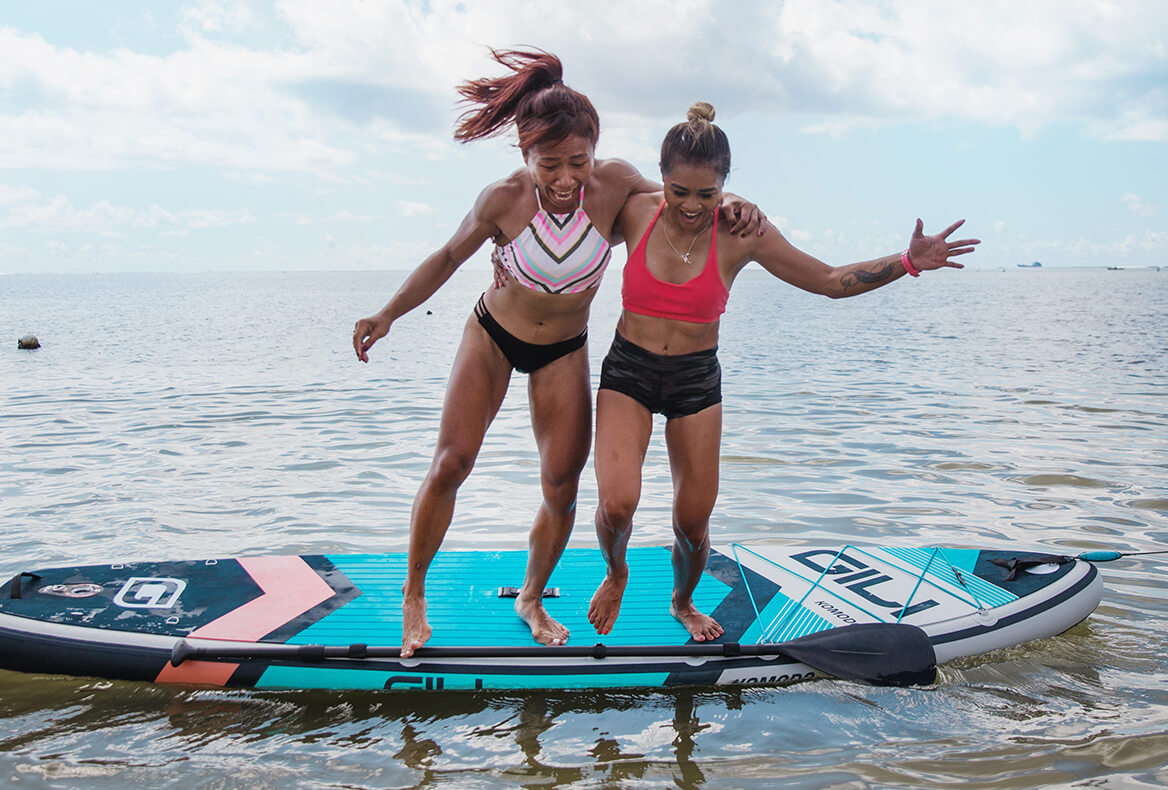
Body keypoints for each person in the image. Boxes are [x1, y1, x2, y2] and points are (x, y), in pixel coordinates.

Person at [351, 52, 764, 657]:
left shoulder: (617, 184)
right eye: (550, 165)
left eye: (578, 162)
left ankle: (531, 597)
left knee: (562, 486)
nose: (566, 178)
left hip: (563, 349)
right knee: (451, 463)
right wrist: (388, 313)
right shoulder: (503, 200)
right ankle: (415, 593)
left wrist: (737, 204)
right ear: (525, 155)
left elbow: (686, 199)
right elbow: (445, 259)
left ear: (596, 152)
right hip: (492, 335)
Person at [587, 102, 980, 642]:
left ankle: (682, 602)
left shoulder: (743, 232)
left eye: (708, 194)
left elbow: (826, 279)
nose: (692, 206)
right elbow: (571, 212)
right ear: (662, 179)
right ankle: (617, 572)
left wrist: (907, 262)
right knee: (616, 504)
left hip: (695, 381)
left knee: (692, 522)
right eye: (680, 192)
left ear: (725, 185)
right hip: (628, 370)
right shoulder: (635, 212)